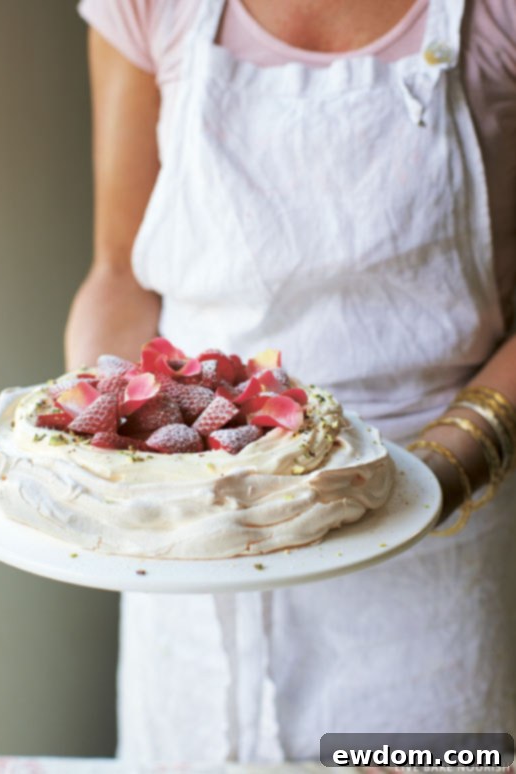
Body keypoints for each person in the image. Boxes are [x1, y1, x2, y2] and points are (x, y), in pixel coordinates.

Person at [65, 0, 516, 764]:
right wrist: (107, 444)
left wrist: (438, 470)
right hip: (190, 535)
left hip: (435, 540)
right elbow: (118, 270)